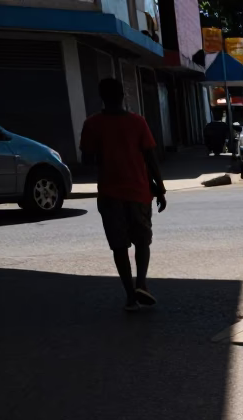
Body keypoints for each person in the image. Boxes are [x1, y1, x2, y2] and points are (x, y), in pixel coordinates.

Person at [80, 78, 167, 312]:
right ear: (123, 96)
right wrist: (160, 187)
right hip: (139, 192)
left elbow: (87, 159)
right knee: (142, 241)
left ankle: (130, 296)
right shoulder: (138, 122)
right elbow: (151, 157)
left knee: (119, 246)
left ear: (102, 97)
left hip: (109, 194)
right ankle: (142, 284)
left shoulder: (92, 124)